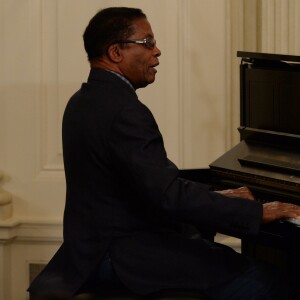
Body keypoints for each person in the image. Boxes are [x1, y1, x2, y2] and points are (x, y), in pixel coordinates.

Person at [28, 7, 300, 300]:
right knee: (267, 282)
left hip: (89, 252)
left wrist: (219, 197)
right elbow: (167, 195)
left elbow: (143, 185)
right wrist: (258, 210)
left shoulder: (82, 101)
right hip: (124, 257)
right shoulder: (124, 110)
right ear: (116, 52)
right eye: (147, 43)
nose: (157, 52)